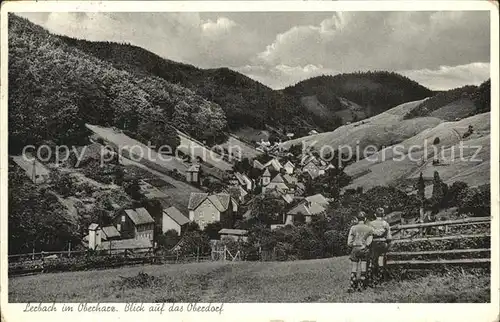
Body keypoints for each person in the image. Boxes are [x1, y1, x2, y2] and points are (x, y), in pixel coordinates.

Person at [347, 211, 374, 292]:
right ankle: (362, 286)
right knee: (363, 268)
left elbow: (349, 242)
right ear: (365, 219)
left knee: (354, 268)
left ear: (357, 219)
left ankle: (352, 285)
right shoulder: (369, 228)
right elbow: (369, 242)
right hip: (364, 249)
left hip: (355, 248)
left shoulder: (353, 228)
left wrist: (353, 245)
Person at [367, 207, 392, 285]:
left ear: (375, 215)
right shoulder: (385, 224)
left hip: (374, 243)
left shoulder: (371, 224)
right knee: (381, 260)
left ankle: (373, 278)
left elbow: (369, 235)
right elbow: (389, 237)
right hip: (383, 243)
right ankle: (381, 278)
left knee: (374, 261)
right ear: (383, 215)